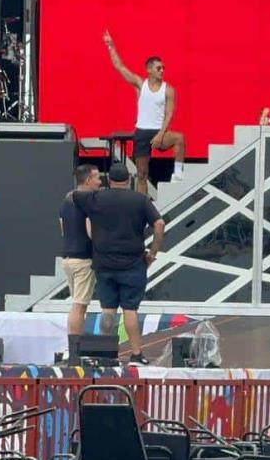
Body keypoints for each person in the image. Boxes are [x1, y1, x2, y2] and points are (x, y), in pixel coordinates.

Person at [72, 163, 165, 365]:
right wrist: (153, 252)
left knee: (108, 310)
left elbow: (72, 196)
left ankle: (106, 354)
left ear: (108, 181)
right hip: (133, 264)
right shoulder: (140, 200)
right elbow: (159, 223)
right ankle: (136, 354)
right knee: (130, 309)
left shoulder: (96, 198)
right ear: (128, 180)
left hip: (104, 264)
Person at [103, 30, 185, 194]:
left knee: (179, 139)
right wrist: (111, 45)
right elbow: (120, 66)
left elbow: (169, 113)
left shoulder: (168, 89)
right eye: (158, 68)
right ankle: (143, 205)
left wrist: (161, 134)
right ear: (149, 70)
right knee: (142, 174)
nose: (162, 71)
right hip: (142, 132)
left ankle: (178, 174)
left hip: (158, 131)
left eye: (163, 68)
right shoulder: (141, 84)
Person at [60, 164, 101, 338]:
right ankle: (74, 346)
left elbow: (62, 228)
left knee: (76, 305)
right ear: (88, 180)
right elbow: (91, 232)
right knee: (80, 305)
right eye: (97, 177)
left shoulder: (66, 201)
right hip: (83, 260)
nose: (100, 181)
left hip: (68, 258)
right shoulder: (88, 202)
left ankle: (72, 343)